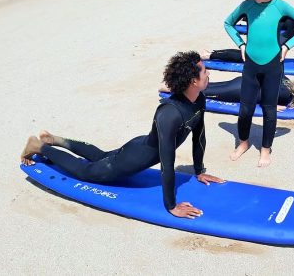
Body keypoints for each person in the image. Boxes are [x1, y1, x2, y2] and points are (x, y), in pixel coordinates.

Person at [20, 51, 225, 219]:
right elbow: (167, 162)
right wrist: (171, 205)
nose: (208, 74)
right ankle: (40, 147)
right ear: (193, 81)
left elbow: (199, 134)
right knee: (86, 172)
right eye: (205, 71)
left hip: (139, 147)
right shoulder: (169, 114)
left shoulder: (199, 99)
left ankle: (53, 139)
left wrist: (199, 170)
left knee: (101, 156)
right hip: (133, 159)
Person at [223, 0, 294, 167]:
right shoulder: (246, 6)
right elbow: (228, 23)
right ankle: (243, 142)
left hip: (273, 64)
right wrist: (240, 44)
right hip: (251, 65)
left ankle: (265, 149)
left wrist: (287, 45)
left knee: (269, 109)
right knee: (245, 108)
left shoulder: (280, 6)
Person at [160, 75, 294, 113]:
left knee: (212, 86)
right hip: (240, 91)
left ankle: (173, 84)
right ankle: (168, 88)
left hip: (242, 81)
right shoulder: (286, 96)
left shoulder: (286, 81)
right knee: (206, 92)